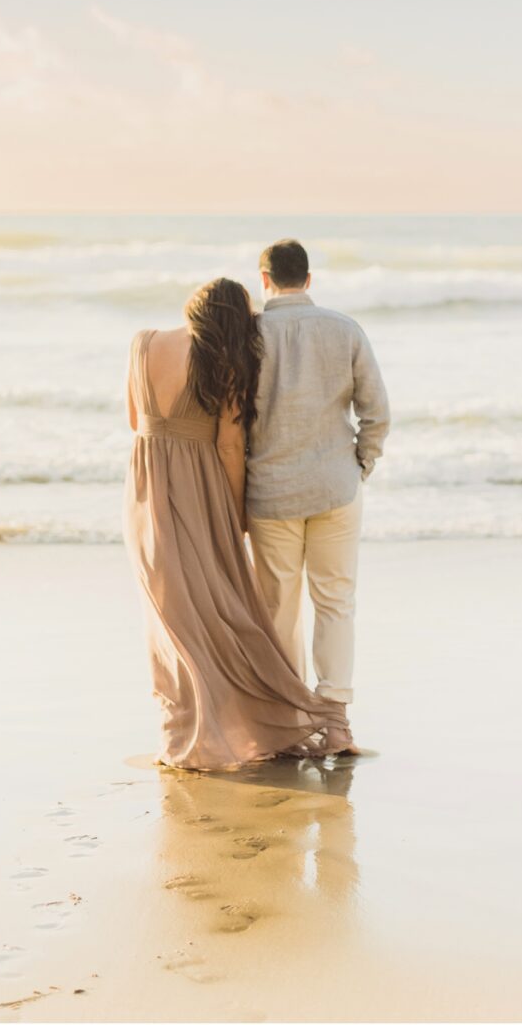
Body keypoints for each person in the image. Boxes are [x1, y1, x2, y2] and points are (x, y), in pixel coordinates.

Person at [121, 277, 340, 771]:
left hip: (144, 485)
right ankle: (231, 723)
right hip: (198, 486)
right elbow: (227, 446)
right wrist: (236, 513)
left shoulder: (142, 343)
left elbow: (134, 418)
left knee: (168, 612)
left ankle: (182, 729)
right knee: (215, 607)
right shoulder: (226, 364)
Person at [246, 239, 391, 755]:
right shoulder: (344, 329)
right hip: (335, 487)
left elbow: (232, 423)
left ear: (264, 280)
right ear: (308, 280)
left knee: (278, 606)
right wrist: (360, 465)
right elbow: (377, 412)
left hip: (269, 492)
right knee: (335, 603)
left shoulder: (249, 337)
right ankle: (335, 725)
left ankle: (288, 724)